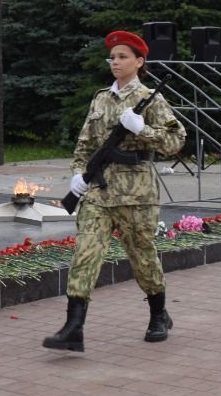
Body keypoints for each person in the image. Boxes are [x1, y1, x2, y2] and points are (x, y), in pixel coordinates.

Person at [44, 30, 186, 353]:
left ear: (139, 62)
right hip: (99, 192)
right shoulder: (100, 99)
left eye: (123, 57)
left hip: (137, 194)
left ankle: (158, 314)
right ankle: (73, 327)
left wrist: (143, 129)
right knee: (85, 254)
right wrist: (78, 176)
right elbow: (85, 145)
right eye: (113, 57)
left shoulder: (151, 98)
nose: (116, 62)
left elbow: (176, 141)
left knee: (142, 257)